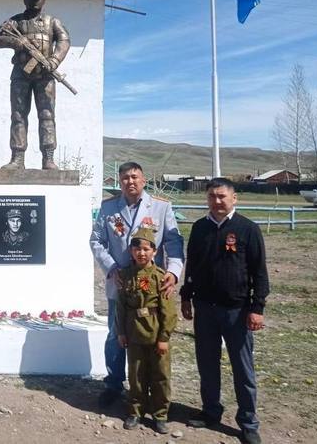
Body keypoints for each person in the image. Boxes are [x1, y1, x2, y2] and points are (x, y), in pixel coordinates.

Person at [180, 178, 269, 444]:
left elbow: (259, 273)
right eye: (211, 196)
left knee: (243, 369)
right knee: (207, 365)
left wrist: (257, 308)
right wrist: (186, 297)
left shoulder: (247, 229)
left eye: (221, 196)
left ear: (234, 198)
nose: (216, 201)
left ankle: (248, 422)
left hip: (237, 311)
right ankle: (211, 412)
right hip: (205, 308)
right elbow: (192, 266)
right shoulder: (199, 228)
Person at [89, 161, 184, 408]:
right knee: (116, 334)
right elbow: (97, 241)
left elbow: (173, 242)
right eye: (124, 178)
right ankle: (113, 383)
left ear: (143, 180)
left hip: (152, 287)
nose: (130, 182)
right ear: (119, 182)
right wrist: (111, 268)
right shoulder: (109, 207)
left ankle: (149, 391)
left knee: (151, 338)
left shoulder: (161, 207)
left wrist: (173, 272)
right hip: (120, 284)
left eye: (134, 177)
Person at [0, 0, 70, 170]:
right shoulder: (15, 21)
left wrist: (54, 60)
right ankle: (17, 158)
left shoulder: (53, 21)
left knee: (47, 116)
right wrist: (17, 43)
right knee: (18, 116)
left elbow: (64, 40)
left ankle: (48, 158)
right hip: (21, 73)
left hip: (45, 75)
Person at [116, 227, 177, 435]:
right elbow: (121, 307)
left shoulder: (161, 277)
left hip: (156, 334)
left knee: (160, 375)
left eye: (146, 249)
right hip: (134, 334)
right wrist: (121, 332)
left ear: (154, 252)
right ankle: (135, 411)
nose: (141, 253)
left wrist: (164, 338)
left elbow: (168, 312)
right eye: (136, 249)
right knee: (136, 375)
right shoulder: (125, 275)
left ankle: (160, 414)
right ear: (131, 251)